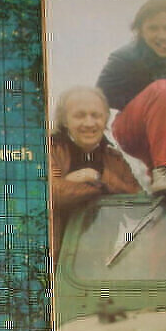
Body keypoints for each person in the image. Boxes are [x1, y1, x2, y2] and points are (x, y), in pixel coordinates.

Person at [97, 0, 166, 195]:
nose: (162, 36)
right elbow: (101, 95)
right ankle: (163, 169)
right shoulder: (125, 56)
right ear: (141, 31)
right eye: (153, 28)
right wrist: (147, 98)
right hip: (133, 128)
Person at [48, 86, 140, 229]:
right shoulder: (49, 149)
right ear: (65, 120)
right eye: (80, 116)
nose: (89, 123)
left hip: (102, 242)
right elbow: (47, 195)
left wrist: (97, 177)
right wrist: (105, 188)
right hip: (57, 242)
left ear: (105, 119)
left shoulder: (114, 157)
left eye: (96, 115)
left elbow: (138, 204)